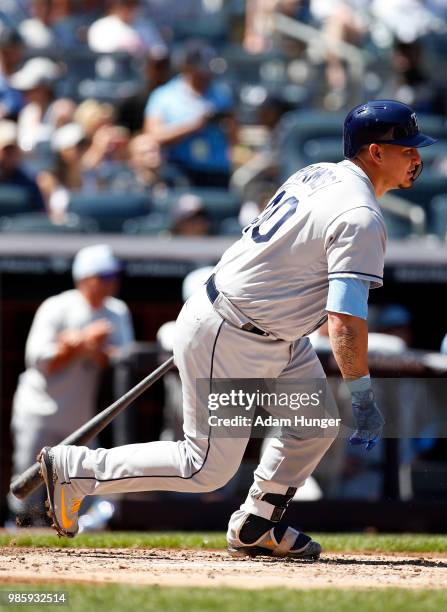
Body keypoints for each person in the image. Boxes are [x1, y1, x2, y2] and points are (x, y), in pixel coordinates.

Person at [36, 100, 435, 559]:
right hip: (234, 332)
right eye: (404, 148)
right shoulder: (360, 215)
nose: (416, 158)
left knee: (314, 424)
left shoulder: (319, 173)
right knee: (203, 467)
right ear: (375, 153)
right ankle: (77, 469)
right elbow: (343, 321)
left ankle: (256, 522)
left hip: (267, 330)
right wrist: (363, 397)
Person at [9, 244, 134, 525]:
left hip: (82, 414)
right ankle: (19, 527)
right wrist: (77, 344)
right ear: (85, 278)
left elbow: (122, 362)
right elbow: (39, 360)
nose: (112, 282)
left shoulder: (116, 310)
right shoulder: (57, 306)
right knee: (28, 476)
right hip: (40, 409)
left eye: (113, 276)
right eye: (104, 276)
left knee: (84, 478)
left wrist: (88, 346)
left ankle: (77, 531)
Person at [144, 39, 236, 188]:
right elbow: (153, 136)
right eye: (200, 69)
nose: (206, 74)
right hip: (180, 170)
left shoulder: (222, 95)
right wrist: (193, 126)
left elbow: (233, 137)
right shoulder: (163, 96)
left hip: (217, 171)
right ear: (186, 67)